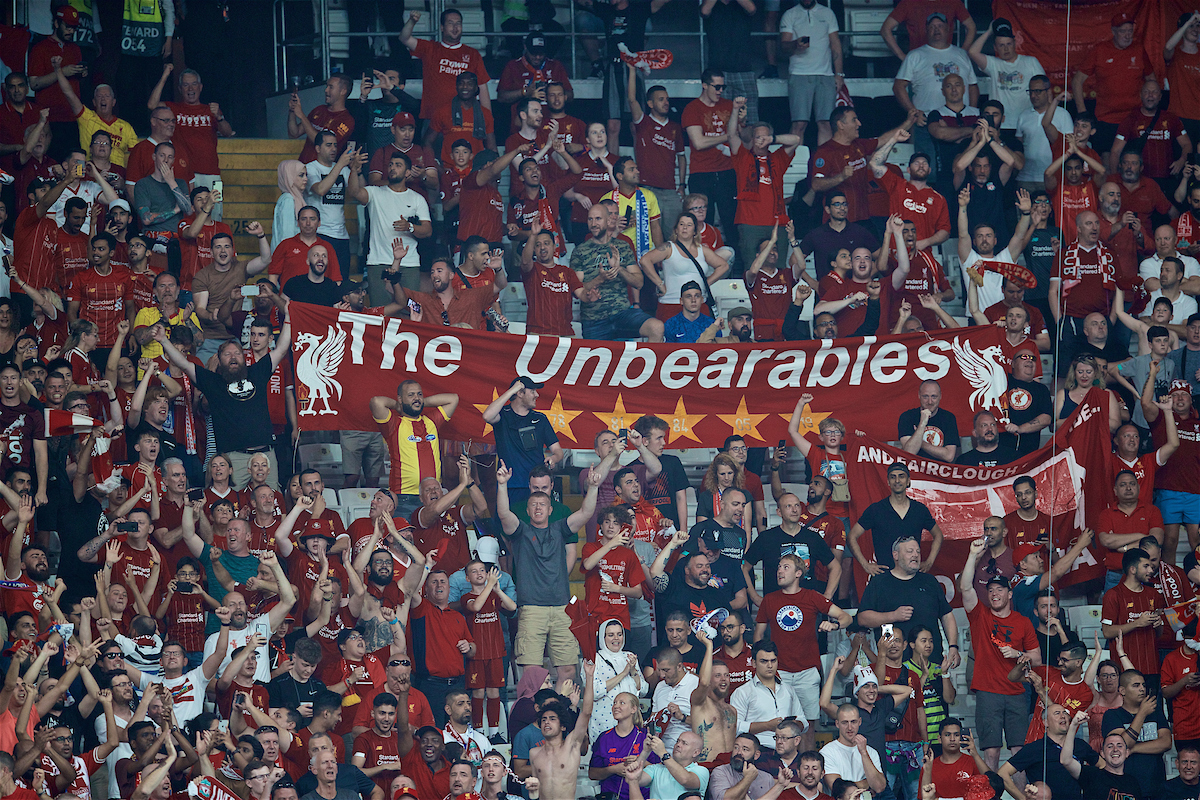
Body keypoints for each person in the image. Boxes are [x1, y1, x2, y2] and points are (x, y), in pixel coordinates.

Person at [152, 310, 289, 489]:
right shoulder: (212, 381)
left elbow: (281, 349)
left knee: (272, 502)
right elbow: (183, 363)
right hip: (234, 457)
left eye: (237, 354)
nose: (233, 357)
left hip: (266, 455)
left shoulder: (256, 372)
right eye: (227, 354)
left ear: (244, 357)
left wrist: (289, 316)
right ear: (219, 359)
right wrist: (163, 340)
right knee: (234, 505)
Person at [496, 460, 601, 685]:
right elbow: (504, 514)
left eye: (542, 505)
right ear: (527, 510)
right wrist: (502, 484)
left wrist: (592, 487)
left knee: (568, 671)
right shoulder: (520, 531)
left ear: (550, 509)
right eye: (533, 505)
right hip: (532, 609)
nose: (537, 508)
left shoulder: (560, 527)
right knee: (533, 674)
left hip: (562, 608)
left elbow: (586, 512)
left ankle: (560, 716)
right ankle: (536, 718)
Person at [755, 553, 851, 753]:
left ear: (799, 573)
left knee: (808, 726)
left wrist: (833, 625)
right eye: (779, 567)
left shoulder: (812, 596)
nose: (780, 571)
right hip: (778, 673)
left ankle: (808, 772)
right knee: (779, 725)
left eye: (786, 567)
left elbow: (845, 618)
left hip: (807, 671)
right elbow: (758, 637)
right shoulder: (770, 600)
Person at [960, 538, 1041, 770]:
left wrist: (1017, 653)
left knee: (1019, 752)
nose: (995, 594)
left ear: (1010, 594)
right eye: (991, 590)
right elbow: (965, 587)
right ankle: (992, 795)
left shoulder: (1023, 622)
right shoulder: (979, 615)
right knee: (992, 751)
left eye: (1000, 590)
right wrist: (972, 555)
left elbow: (1036, 659)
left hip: (1017, 692)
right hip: (988, 692)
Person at [892, 14, 977, 181]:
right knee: (928, 172)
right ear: (926, 31)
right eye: (932, 27)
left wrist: (971, 114)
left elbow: (973, 86)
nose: (936, 29)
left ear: (948, 30)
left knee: (963, 170)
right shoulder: (915, 55)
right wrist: (913, 112)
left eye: (940, 26)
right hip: (926, 122)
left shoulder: (961, 54)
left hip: (958, 121)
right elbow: (898, 86)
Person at [571, 203, 664, 342]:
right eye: (590, 219)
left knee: (657, 327)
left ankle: (649, 364)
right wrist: (599, 279)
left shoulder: (622, 246)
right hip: (594, 320)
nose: (593, 223)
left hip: (622, 315)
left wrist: (619, 268)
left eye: (598, 219)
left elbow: (639, 283)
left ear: (608, 221)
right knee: (597, 363)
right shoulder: (580, 251)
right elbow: (575, 290)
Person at [1071, 12, 1156, 154]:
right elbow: (1077, 81)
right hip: (1106, 119)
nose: (1127, 35)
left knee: (1133, 161)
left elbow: (1152, 81)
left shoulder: (1139, 49)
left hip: (1135, 119)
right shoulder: (1100, 50)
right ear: (1113, 31)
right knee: (1107, 163)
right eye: (1123, 31)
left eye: (1130, 31)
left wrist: (1150, 109)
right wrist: (1082, 112)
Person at [1143, 374, 1200, 562]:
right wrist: (1152, 375)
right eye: (1175, 395)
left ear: (1191, 399)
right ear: (1169, 398)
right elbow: (1145, 404)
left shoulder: (1198, 424)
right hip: (1168, 490)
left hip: (1196, 491)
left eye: (1184, 395)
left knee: (1197, 542)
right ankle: (1170, 583)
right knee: (1169, 542)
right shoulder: (1161, 417)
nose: (1180, 398)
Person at [848, 461, 943, 573]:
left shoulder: (919, 509)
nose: (897, 480)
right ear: (888, 481)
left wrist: (929, 562)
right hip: (885, 577)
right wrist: (865, 565)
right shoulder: (876, 509)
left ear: (908, 481)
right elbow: (851, 536)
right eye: (893, 477)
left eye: (901, 476)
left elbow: (938, 535)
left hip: (912, 576)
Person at [400, 10, 492, 122]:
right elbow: (404, 38)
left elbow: (482, 87)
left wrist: (488, 120)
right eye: (450, 23)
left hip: (464, 119)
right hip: (433, 117)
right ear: (442, 27)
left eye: (458, 23)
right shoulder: (430, 48)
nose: (455, 27)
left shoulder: (473, 54)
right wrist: (412, 21)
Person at [627, 69, 686, 233]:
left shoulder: (675, 127)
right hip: (647, 188)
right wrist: (632, 70)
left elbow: (682, 157)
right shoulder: (643, 122)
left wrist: (681, 184)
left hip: (671, 189)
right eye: (661, 100)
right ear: (650, 104)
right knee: (650, 236)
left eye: (667, 99)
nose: (666, 102)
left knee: (675, 236)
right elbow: (632, 99)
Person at [683, 70, 738, 244]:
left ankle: (735, 265)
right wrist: (729, 135)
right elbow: (698, 142)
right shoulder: (692, 108)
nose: (720, 90)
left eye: (723, 86)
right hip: (702, 172)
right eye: (717, 86)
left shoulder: (729, 105)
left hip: (728, 171)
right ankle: (703, 264)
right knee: (701, 222)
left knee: (732, 221)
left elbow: (743, 135)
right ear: (704, 85)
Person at [1100, 668, 1171, 799]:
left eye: (1143, 685)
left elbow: (1166, 743)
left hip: (1157, 783)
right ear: (1122, 690)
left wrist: (1133, 748)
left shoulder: (1155, 712)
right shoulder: (1112, 715)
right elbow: (1123, 744)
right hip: (1126, 786)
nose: (1142, 689)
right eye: (1136, 685)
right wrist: (1142, 713)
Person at [967, 19, 1044, 128]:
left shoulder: (1030, 62)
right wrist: (989, 31)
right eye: (1001, 45)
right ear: (995, 47)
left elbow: (1044, 89)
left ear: (1015, 43)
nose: (1006, 48)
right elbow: (972, 52)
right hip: (1000, 125)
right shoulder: (993, 64)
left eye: (1008, 44)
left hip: (1026, 123)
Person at [818, 697, 887, 795]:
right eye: (845, 722)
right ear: (837, 724)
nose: (850, 727)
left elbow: (879, 787)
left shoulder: (870, 752)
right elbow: (837, 789)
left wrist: (863, 753)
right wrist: (866, 783)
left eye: (853, 722)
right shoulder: (827, 752)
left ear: (859, 722)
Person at [287, 75, 354, 165]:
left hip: (323, 173)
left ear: (343, 91)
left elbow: (322, 143)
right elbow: (294, 134)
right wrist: (292, 110)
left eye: (331, 87)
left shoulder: (347, 120)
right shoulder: (319, 110)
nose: (326, 90)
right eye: (327, 86)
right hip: (303, 169)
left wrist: (301, 115)